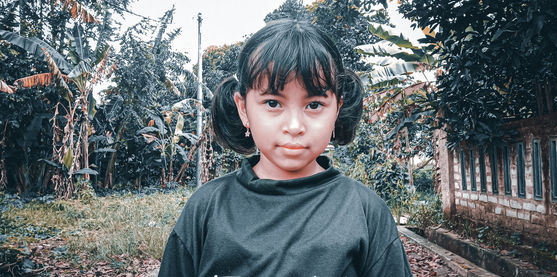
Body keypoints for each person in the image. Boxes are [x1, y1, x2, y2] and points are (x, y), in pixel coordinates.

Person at [158, 19, 413, 276]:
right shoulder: (206, 208)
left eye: (313, 105)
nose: (294, 126)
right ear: (243, 108)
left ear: (337, 108)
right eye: (272, 103)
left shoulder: (366, 212)